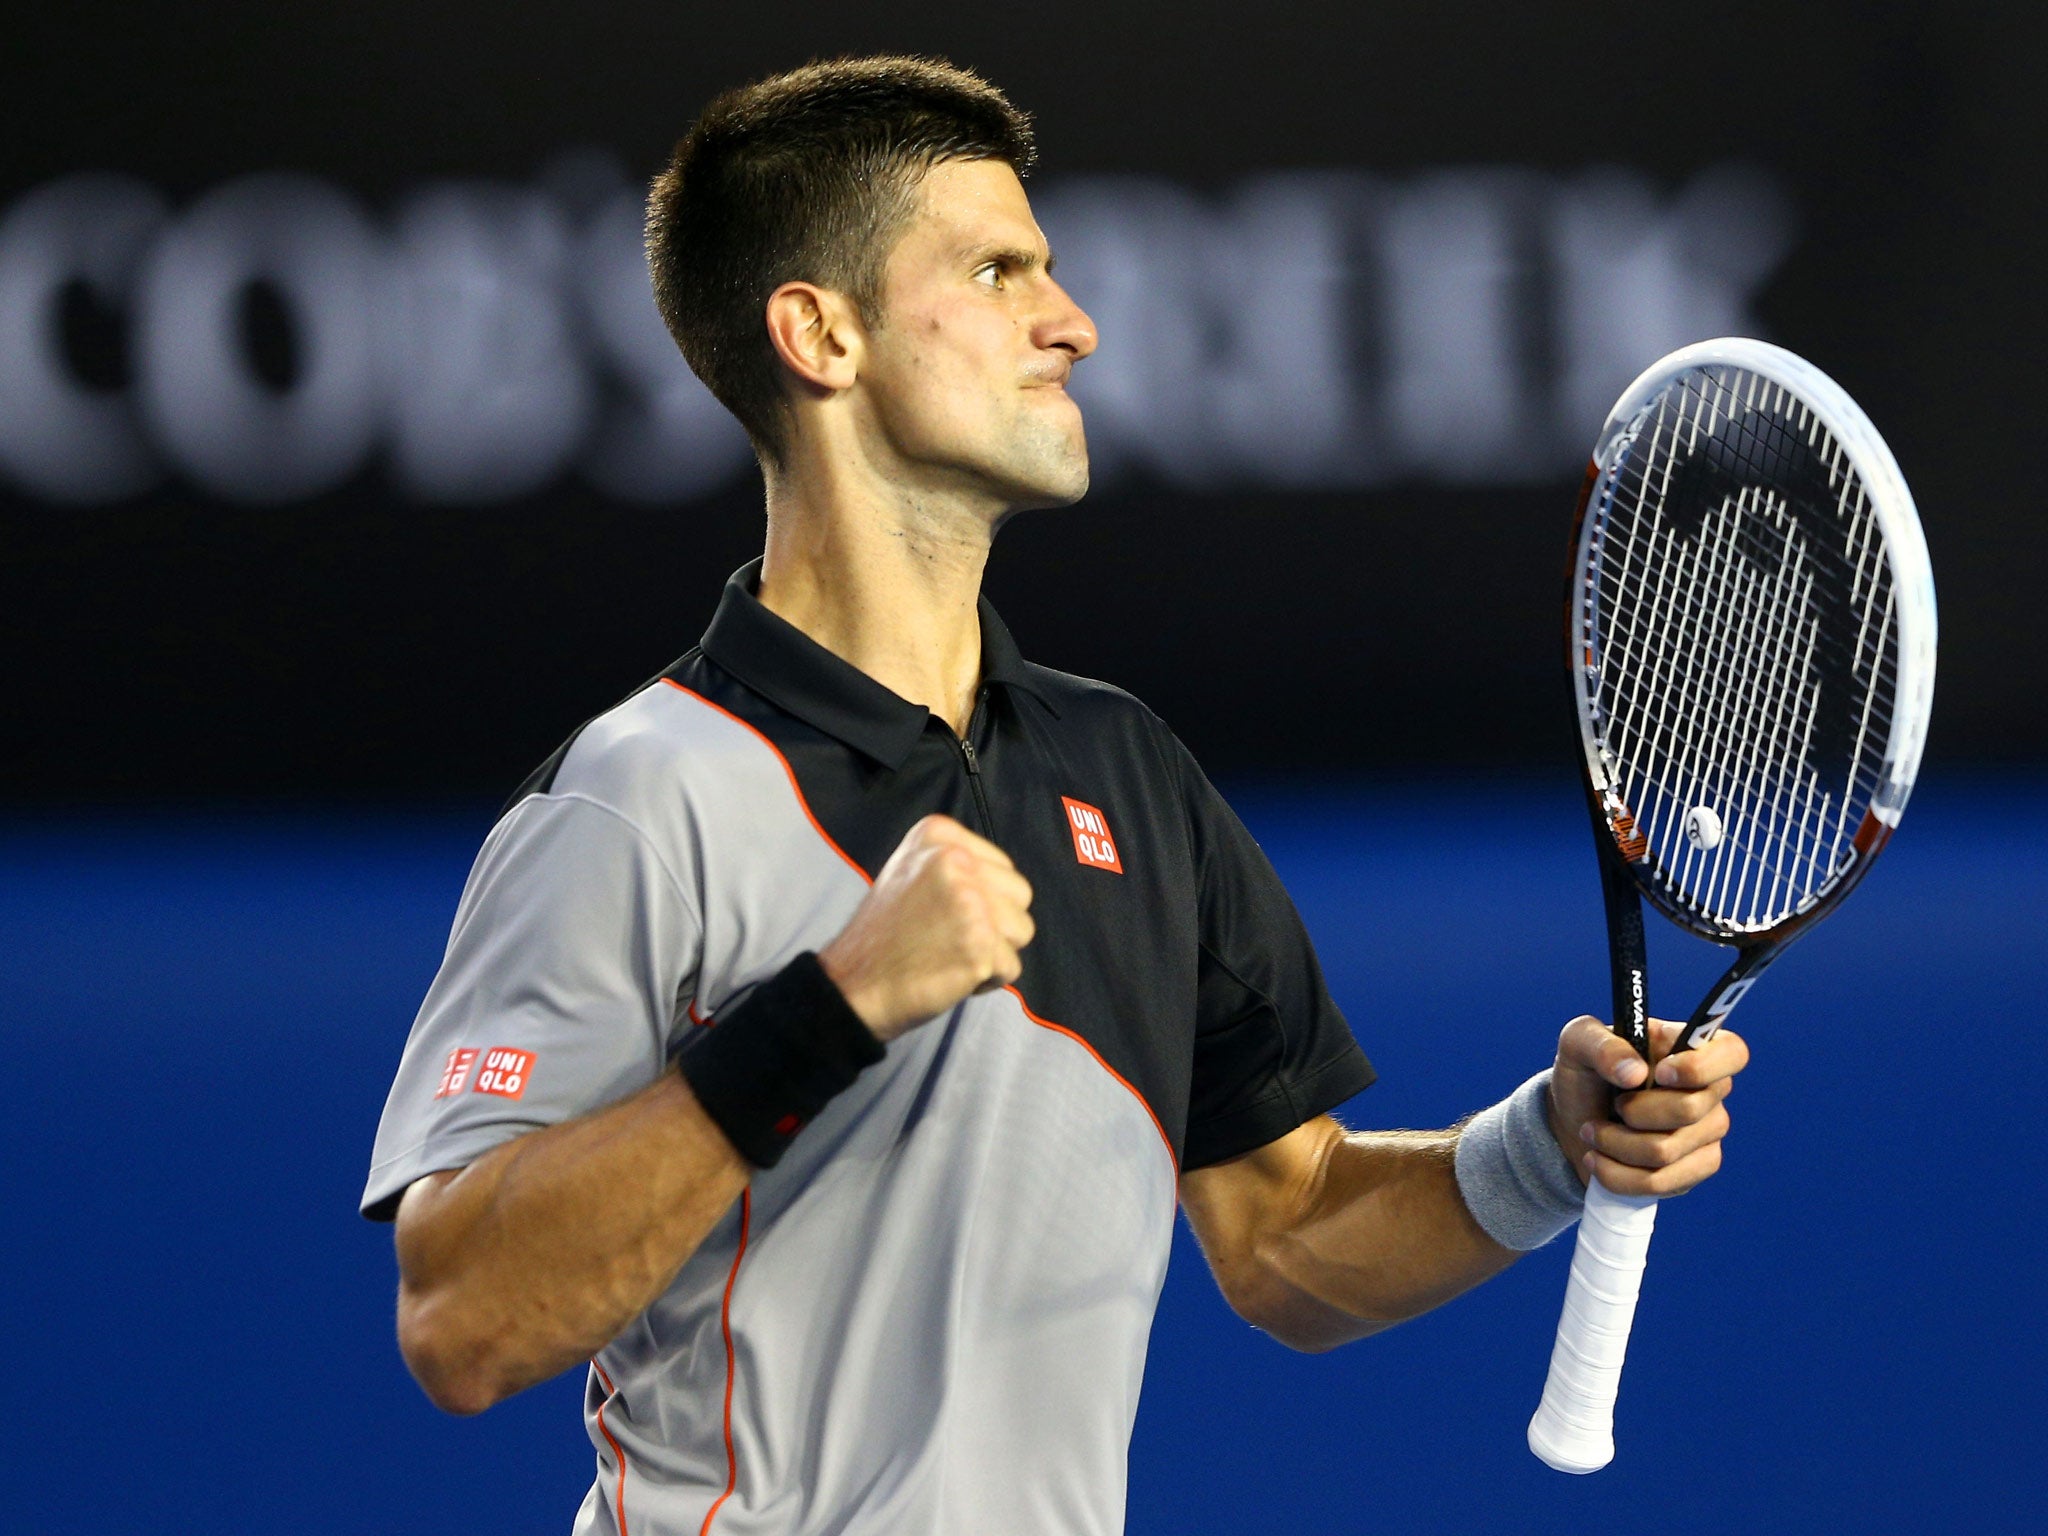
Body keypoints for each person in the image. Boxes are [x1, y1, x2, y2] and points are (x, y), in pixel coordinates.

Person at [362, 55, 1748, 1535]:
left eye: (1052, 268)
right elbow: (464, 1320)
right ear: (819, 334)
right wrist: (829, 1008)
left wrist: (1549, 1144)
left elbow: (1282, 1234)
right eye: (994, 268)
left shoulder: (1124, 770)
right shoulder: (640, 799)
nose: (1071, 321)